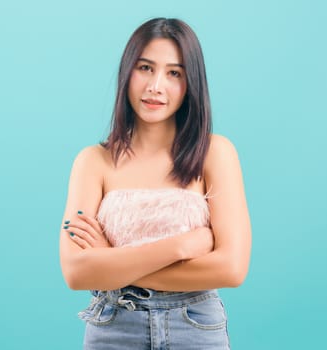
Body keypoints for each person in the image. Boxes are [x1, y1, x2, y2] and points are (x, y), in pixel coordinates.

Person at [59, 18, 251, 349]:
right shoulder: (93, 161)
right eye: (145, 68)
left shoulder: (215, 153)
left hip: (196, 326)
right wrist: (180, 247)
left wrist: (112, 261)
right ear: (127, 72)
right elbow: (76, 273)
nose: (155, 86)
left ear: (191, 82)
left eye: (174, 73)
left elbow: (231, 268)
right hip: (114, 327)